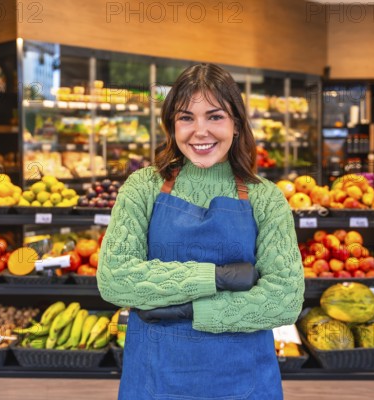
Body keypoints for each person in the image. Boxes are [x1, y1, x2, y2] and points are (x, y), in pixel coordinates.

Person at [97, 63, 304, 400]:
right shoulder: (143, 187)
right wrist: (221, 277)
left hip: (243, 382)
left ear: (236, 124)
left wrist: (187, 310)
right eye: (186, 118)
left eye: (215, 116)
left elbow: (283, 301)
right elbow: (115, 278)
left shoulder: (266, 198)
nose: (200, 131)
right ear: (172, 125)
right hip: (156, 378)